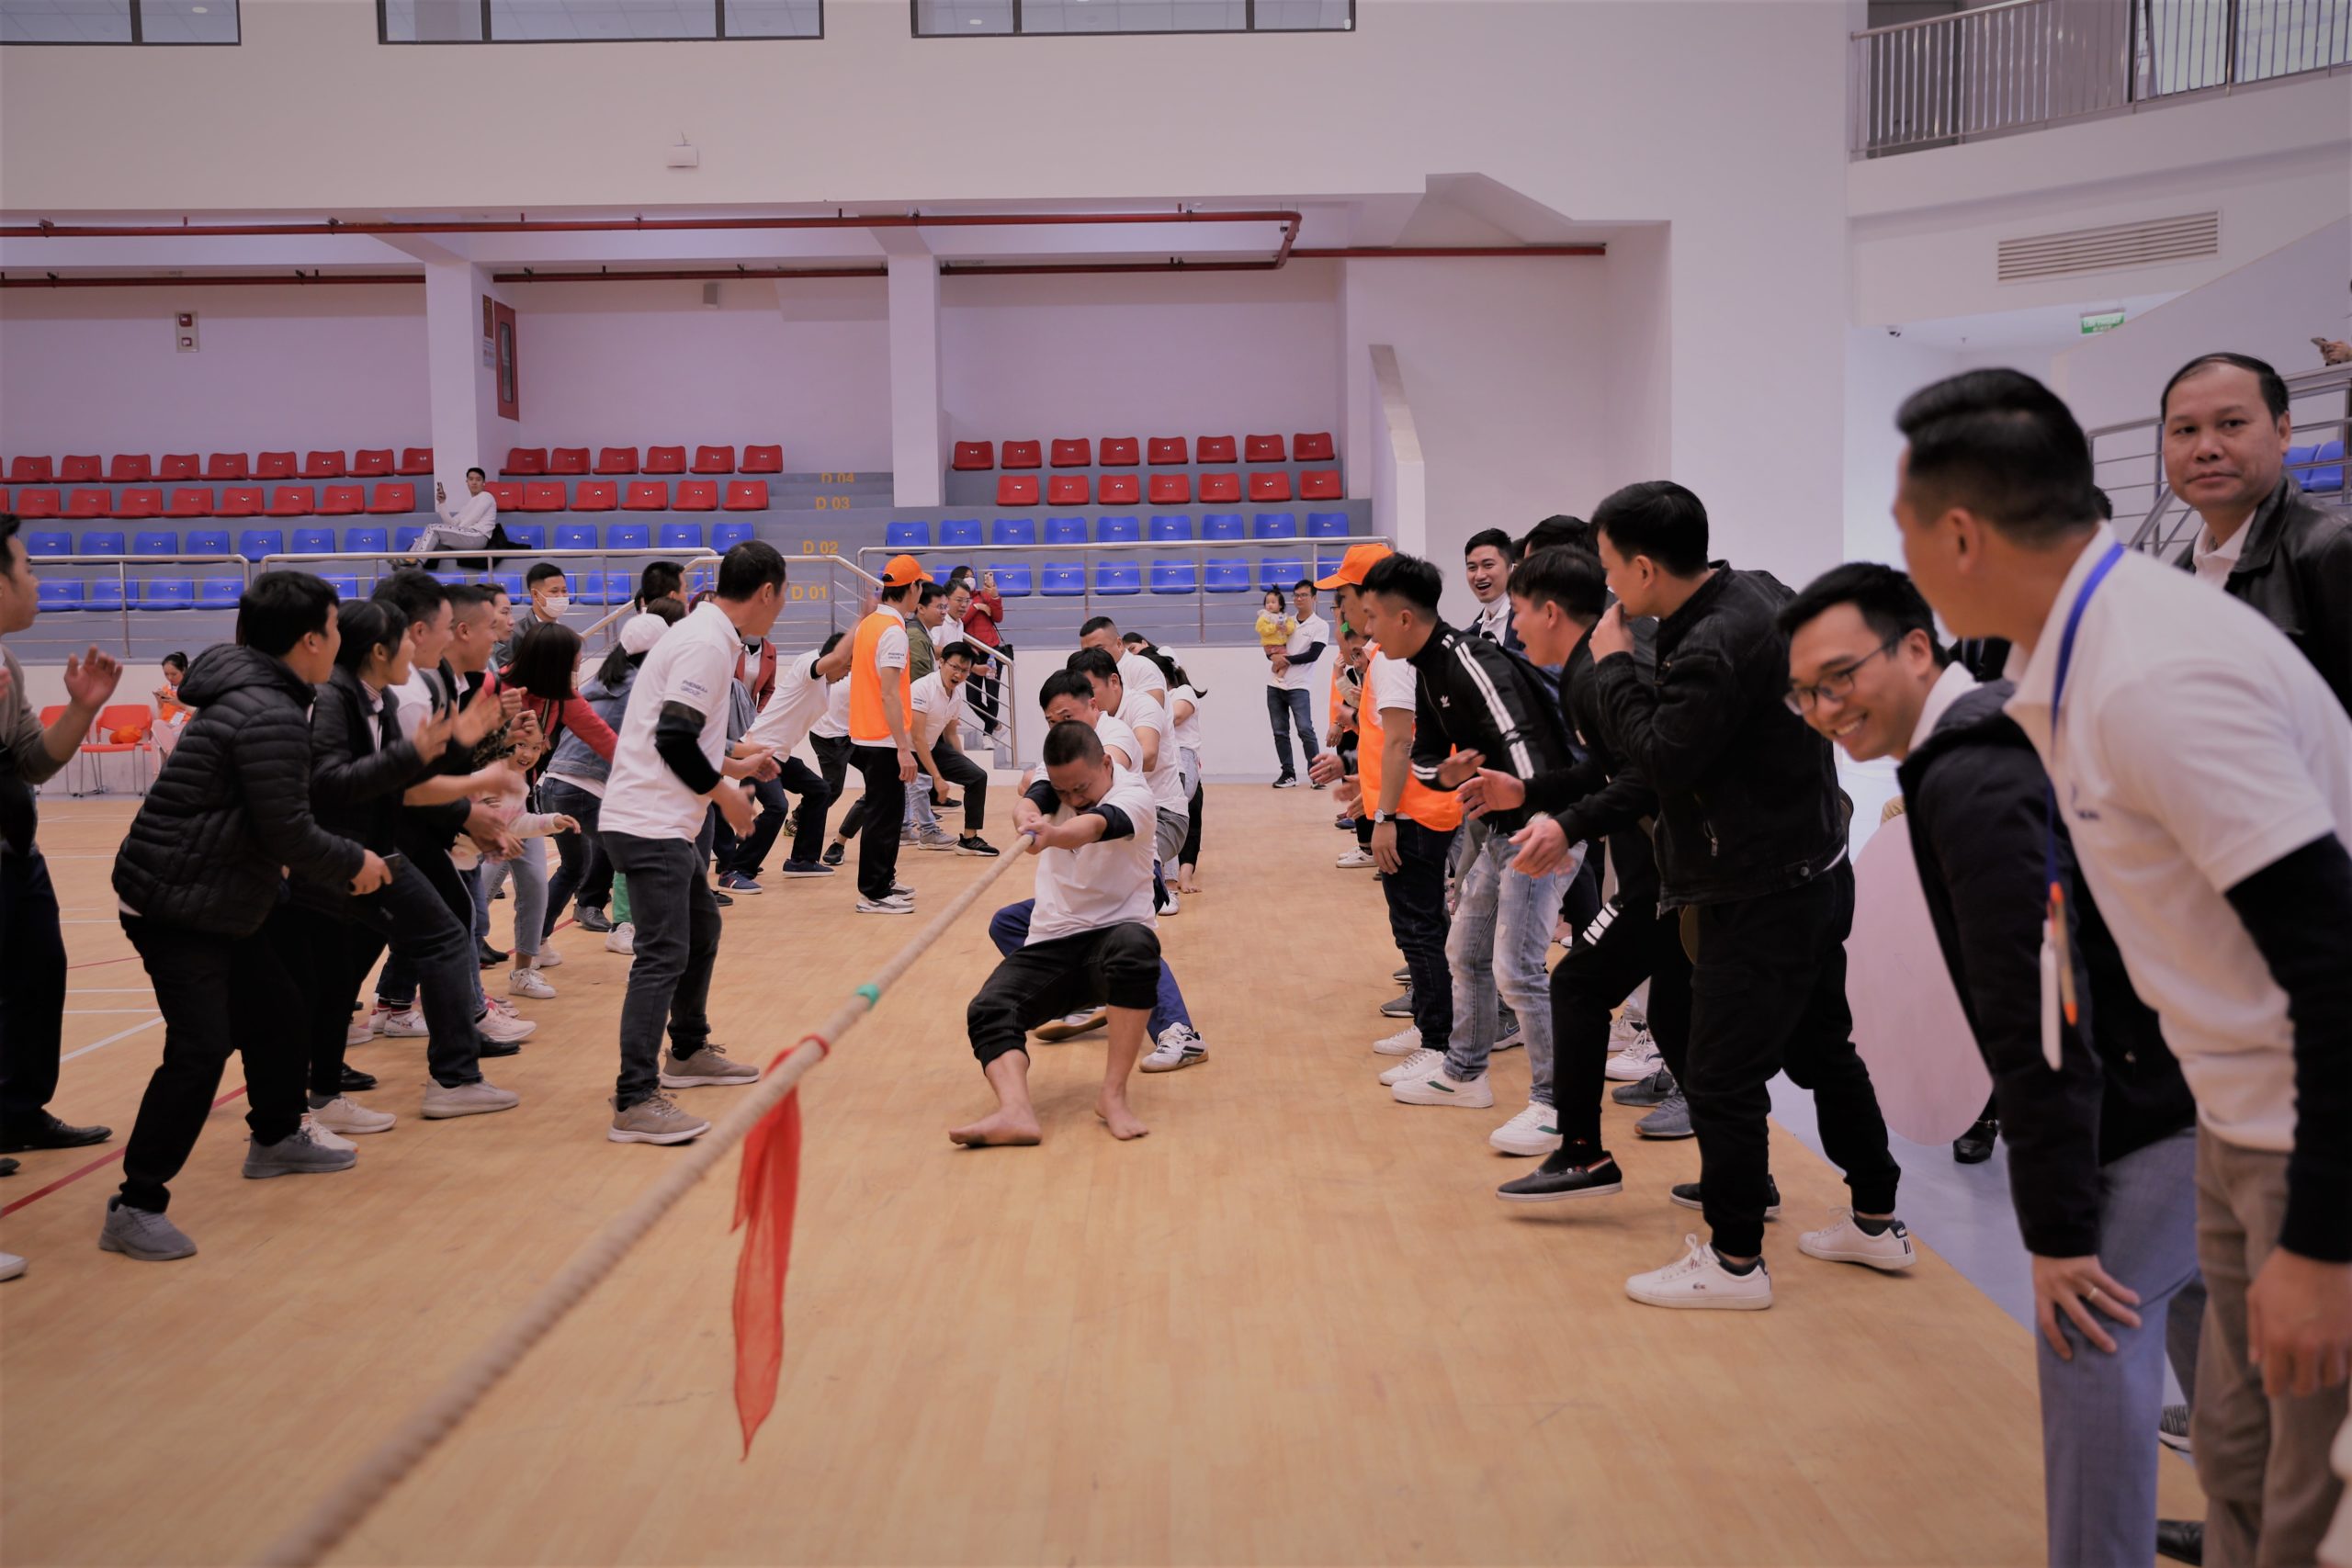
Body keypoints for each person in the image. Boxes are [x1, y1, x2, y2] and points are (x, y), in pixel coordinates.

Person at [1894, 367, 2352, 1566]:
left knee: (2313, 1500)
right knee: (2242, 1463)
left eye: (1905, 525)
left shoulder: (2155, 673)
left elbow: (2334, 961)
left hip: (2301, 1126)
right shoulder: (2078, 655)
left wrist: (2321, 1241)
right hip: (2233, 1113)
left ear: (1959, 535)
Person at [1783, 559, 2199, 1565]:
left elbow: (2039, 1011)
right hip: (2216, 1070)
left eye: (1842, 677)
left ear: (1917, 649)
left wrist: (2057, 1229)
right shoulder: (2001, 729)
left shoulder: (1972, 772)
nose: (1826, 708)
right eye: (1804, 694)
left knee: (2090, 1331)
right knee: (2209, 1334)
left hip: (2182, 1094)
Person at [1585, 479, 1909, 1310]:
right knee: (1825, 1051)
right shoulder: (1758, 590)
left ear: (1646, 569)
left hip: (1761, 889)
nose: (1607, 585)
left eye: (1611, 566)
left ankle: (1734, 1262)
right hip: (1812, 865)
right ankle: (1876, 1220)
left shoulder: (1711, 645)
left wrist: (1613, 665)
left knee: (1721, 1075)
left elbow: (1662, 759)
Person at [101, 572, 392, 1262]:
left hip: (219, 897)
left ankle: (276, 1137)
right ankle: (136, 1203)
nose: (340, 642)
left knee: (281, 1011)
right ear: (310, 640)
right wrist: (353, 861)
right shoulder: (269, 711)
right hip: (175, 904)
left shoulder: (267, 698)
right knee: (202, 1046)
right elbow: (288, 829)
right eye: (334, 628)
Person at [1457, 545, 1692, 1197]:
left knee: (1579, 983)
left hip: (1678, 877)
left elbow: (1645, 775)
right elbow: (1605, 770)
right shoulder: (1588, 669)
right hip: (1673, 876)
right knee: (1676, 1018)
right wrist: (1530, 793)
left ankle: (1582, 1152)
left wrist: (1566, 825)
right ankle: (1747, 1182)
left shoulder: (1599, 672)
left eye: (1521, 611)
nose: (1515, 626)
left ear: (1552, 611)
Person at [1346, 554, 1566, 1143]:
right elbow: (1425, 755)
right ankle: (1464, 1074)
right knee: (1464, 951)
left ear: (1405, 618)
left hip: (1538, 828)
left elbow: (1528, 742)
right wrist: (1445, 775)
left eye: (1373, 617)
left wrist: (1539, 811)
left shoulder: (1469, 660)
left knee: (1519, 969)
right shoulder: (1425, 668)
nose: (1368, 630)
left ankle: (1556, 1104)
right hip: (1500, 830)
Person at [299, 595, 520, 1129]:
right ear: (381, 650)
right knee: (442, 935)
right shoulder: (341, 698)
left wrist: (466, 755)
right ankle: (452, 1078)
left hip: (365, 847)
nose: (424, 645)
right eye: (408, 638)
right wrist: (470, 787)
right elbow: (344, 785)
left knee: (344, 967)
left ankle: (322, 1092)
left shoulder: (374, 697)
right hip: (346, 853)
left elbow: (401, 781)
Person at [596, 540, 790, 1145]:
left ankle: (686, 1051)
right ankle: (635, 1097)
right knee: (662, 955)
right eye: (783, 596)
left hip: (664, 820)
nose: (782, 606)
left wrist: (735, 763)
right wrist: (726, 794)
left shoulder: (708, 635)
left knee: (701, 930)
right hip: (649, 821)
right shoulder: (706, 643)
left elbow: (685, 735)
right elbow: (674, 739)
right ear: (766, 593)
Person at [950, 720, 1163, 1145]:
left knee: (1137, 946)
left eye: (1081, 788)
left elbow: (1095, 826)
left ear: (1106, 764)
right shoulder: (1059, 785)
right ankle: (1015, 1112)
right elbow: (1033, 800)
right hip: (1051, 944)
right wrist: (1025, 815)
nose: (1073, 799)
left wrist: (1054, 834)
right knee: (989, 1009)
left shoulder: (1135, 796)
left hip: (1110, 942)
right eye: (1064, 792)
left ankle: (1112, 1096)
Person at [1307, 545, 1466, 1098]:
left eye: (1345, 598)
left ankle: (1439, 1043)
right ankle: (1430, 1025)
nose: (1343, 611)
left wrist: (1386, 816)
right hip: (1408, 807)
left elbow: (1402, 742)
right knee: (1417, 925)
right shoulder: (1387, 655)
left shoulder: (1394, 660)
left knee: (1420, 929)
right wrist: (1362, 785)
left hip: (1415, 813)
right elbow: (1388, 743)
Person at [0, 514, 120, 1168]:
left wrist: (81, 709)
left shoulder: (7, 662)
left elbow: (30, 760)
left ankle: (17, 1114)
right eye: (27, 569)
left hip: (17, 854)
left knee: (38, 977)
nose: (37, 580)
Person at [2161, 351, 2352, 713]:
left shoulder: (2332, 550)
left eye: (2231, 423)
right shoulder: (2182, 572)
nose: (2206, 449)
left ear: (2282, 431)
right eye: (2185, 430)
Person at [481, 620, 614, 993]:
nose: (576, 672)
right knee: (475, 895)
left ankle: (523, 972)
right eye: (573, 664)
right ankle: (435, 989)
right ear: (552, 663)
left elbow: (603, 738)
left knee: (536, 887)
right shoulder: (495, 688)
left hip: (521, 802)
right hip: (479, 805)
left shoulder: (560, 697)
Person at [543, 606, 679, 940]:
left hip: (554, 783)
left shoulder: (605, 680)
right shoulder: (642, 686)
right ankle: (624, 928)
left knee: (573, 868)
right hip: (584, 787)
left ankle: (533, 942)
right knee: (638, 855)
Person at [1068, 647, 1186, 907]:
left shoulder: (1141, 704)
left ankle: (1163, 890)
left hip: (1164, 812)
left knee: (1122, 870)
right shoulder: (1086, 719)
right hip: (1116, 811)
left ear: (1114, 681)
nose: (1086, 699)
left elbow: (1148, 755)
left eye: (1090, 690)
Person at [733, 627, 854, 879]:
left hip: (778, 755)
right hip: (757, 751)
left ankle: (802, 861)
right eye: (846, 665)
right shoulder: (806, 666)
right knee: (777, 807)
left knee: (820, 791)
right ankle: (737, 868)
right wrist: (862, 621)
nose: (847, 672)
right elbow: (831, 659)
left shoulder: (824, 686)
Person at [844, 556, 927, 915]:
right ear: (912, 588)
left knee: (888, 813)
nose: (921, 592)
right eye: (921, 585)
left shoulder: (870, 624)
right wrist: (903, 748)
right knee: (883, 816)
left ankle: (884, 879)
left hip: (866, 734)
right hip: (883, 738)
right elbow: (890, 693)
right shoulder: (893, 632)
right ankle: (874, 892)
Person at [913, 641, 997, 857]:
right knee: (874, 799)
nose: (959, 675)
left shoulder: (956, 696)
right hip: (902, 750)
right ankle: (840, 841)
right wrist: (937, 778)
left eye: (965, 671)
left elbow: (950, 734)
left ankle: (969, 839)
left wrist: (964, 767)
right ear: (941, 663)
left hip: (930, 747)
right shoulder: (922, 688)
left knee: (977, 776)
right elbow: (917, 738)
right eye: (955, 667)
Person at [1265, 580, 1328, 787]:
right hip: (1275, 685)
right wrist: (1272, 656)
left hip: (1299, 686)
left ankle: (1317, 775)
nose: (1299, 599)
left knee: (1305, 730)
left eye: (1304, 595)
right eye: (1296, 595)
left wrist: (1286, 660)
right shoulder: (1286, 621)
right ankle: (1288, 774)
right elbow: (1272, 645)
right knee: (1280, 732)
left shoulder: (1320, 625)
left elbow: (1313, 654)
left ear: (1314, 598)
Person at [957, 565, 1007, 738]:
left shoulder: (984, 595)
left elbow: (998, 618)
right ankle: (996, 726)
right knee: (973, 699)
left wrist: (995, 597)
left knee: (992, 695)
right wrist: (976, 607)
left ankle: (988, 735)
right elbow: (960, 621)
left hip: (992, 652)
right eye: (966, 576)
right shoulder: (957, 601)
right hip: (972, 654)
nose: (970, 579)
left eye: (972, 576)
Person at [418, 467, 497, 560]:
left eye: (478, 479)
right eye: (471, 479)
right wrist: (442, 503)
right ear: (467, 482)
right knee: (422, 538)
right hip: (467, 535)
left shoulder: (486, 496)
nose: (474, 482)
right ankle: (409, 562)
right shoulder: (467, 505)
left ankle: (415, 560)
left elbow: (473, 518)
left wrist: (455, 530)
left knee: (432, 528)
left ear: (484, 483)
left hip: (478, 536)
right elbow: (451, 524)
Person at [1463, 527, 1521, 649]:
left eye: (1488, 565)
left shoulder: (1529, 622)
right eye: (1472, 567)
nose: (1479, 576)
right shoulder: (1470, 635)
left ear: (1512, 569)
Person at [152, 649, 193, 756]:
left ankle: (170, 758)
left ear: (183, 670)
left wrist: (179, 704)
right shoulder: (165, 689)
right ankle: (171, 757)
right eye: (166, 674)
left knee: (156, 741)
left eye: (174, 674)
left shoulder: (192, 688)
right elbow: (161, 719)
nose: (170, 678)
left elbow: (201, 712)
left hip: (187, 725)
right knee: (156, 724)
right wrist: (160, 705)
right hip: (170, 725)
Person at [908, 578, 945, 682]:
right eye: (940, 607)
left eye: (945, 607)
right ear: (921, 608)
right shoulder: (916, 637)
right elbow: (919, 680)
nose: (944, 612)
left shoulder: (922, 632)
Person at [1256, 588, 1296, 656]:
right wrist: (1275, 627)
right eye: (1267, 602)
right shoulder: (1265, 616)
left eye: (1273, 602)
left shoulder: (1284, 616)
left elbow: (1291, 626)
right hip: (1271, 645)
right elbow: (1261, 629)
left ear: (1280, 605)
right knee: (1286, 657)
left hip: (1282, 644)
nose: (1270, 605)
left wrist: (1286, 628)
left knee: (1289, 655)